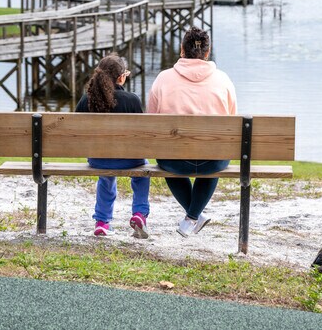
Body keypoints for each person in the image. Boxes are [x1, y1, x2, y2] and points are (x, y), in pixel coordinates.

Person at [148, 27, 237, 237]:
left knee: (166, 157)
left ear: (182, 49)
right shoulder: (223, 79)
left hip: (174, 160)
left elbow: (150, 121)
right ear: (207, 52)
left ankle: (192, 216)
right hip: (213, 160)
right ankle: (193, 217)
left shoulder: (163, 78)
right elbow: (232, 119)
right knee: (214, 150)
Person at [75, 53, 151, 239]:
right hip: (130, 161)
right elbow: (142, 135)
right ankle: (139, 213)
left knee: (106, 176)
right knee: (143, 171)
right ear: (121, 77)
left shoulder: (87, 99)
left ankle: (102, 221)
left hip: (98, 160)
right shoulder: (132, 100)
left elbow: (75, 131)